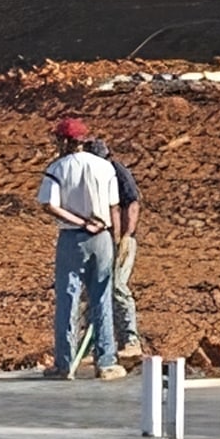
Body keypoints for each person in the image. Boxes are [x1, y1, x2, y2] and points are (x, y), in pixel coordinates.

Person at [37, 117, 125, 381]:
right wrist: (116, 238)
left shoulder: (57, 168)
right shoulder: (105, 167)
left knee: (68, 298)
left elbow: (48, 204)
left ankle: (65, 363)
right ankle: (106, 361)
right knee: (101, 297)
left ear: (66, 141)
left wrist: (79, 221)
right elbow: (114, 206)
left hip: (72, 236)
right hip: (104, 237)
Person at [86, 138, 142, 356]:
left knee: (118, 286)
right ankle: (95, 344)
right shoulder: (95, 174)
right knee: (95, 291)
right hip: (102, 239)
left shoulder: (116, 172)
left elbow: (132, 203)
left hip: (121, 240)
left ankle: (131, 340)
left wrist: (125, 236)